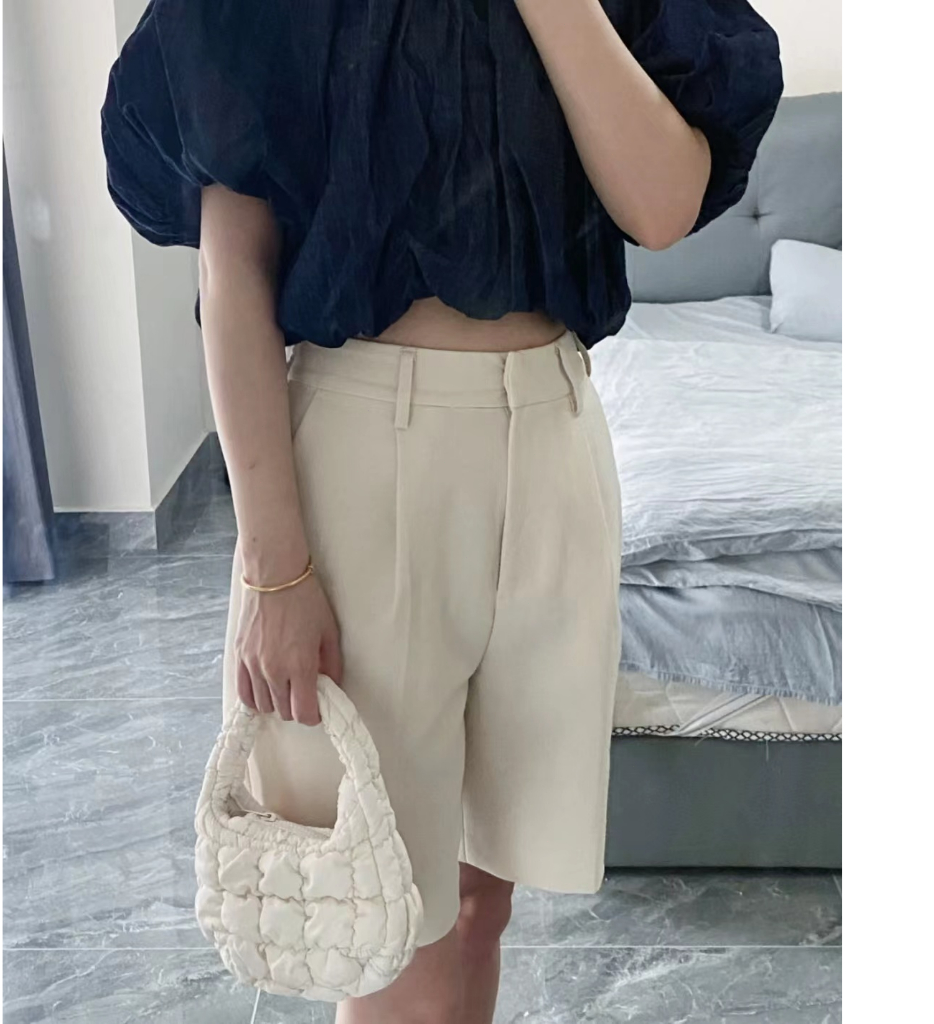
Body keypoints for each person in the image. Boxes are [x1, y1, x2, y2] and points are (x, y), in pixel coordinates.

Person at [102, 1, 782, 1020]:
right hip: (362, 459)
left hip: (555, 442)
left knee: (476, 905)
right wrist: (273, 567)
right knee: (385, 922)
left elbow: (660, 206)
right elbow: (231, 268)